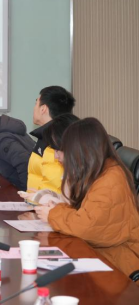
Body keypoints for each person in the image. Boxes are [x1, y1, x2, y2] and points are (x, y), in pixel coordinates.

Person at [34, 118, 139, 277]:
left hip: (121, 266)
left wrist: (53, 214)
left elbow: (87, 227)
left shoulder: (110, 180)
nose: (56, 156)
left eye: (62, 150)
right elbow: (85, 213)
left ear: (80, 151)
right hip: (104, 256)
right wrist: (58, 209)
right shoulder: (99, 172)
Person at [28, 86, 76, 192]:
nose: (34, 108)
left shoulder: (55, 140)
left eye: (36, 103)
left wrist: (36, 201)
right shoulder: (47, 135)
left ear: (43, 108)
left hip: (45, 202)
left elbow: (53, 187)